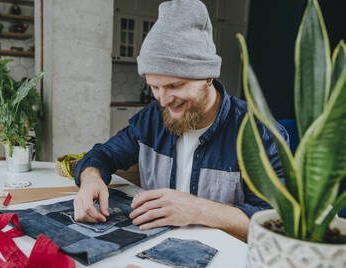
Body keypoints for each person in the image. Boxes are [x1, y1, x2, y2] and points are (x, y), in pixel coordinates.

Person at [73, 0, 288, 242]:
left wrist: (198, 209)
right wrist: (90, 178)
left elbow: (275, 223)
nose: (163, 100)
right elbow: (104, 154)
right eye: (154, 86)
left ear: (208, 76)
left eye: (174, 86)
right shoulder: (151, 119)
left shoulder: (260, 133)